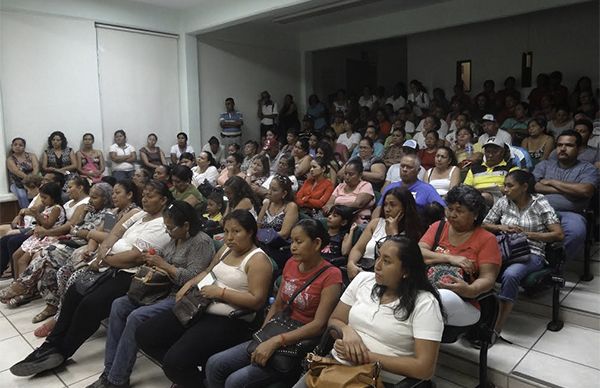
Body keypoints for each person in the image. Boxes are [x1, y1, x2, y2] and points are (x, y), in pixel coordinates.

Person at [9, 180, 173, 377]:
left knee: (91, 303)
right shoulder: (137, 215)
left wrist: (105, 258)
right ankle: (51, 345)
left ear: (163, 200)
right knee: (74, 291)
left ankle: (63, 351)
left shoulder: (163, 224)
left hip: (132, 274)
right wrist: (102, 254)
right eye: (144, 195)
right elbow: (113, 234)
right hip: (108, 262)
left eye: (151, 196)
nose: (145, 199)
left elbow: (135, 257)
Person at [136, 210, 272, 387]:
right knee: (145, 334)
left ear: (250, 232)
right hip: (199, 304)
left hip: (228, 319)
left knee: (175, 362)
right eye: (227, 231)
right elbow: (208, 271)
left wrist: (221, 293)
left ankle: (188, 375)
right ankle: (190, 375)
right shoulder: (226, 249)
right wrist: (189, 283)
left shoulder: (258, 260)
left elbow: (257, 301)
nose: (229, 237)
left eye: (236, 231)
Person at [86, 201, 215, 388]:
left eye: (171, 228)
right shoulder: (176, 237)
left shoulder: (201, 242)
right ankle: (110, 369)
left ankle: (117, 379)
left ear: (186, 225)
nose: (167, 231)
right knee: (119, 305)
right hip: (158, 289)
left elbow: (192, 279)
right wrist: (151, 257)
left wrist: (163, 264)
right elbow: (163, 254)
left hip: (179, 296)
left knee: (136, 317)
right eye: (166, 227)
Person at [292, 236, 445, 388]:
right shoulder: (364, 280)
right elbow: (335, 320)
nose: (377, 266)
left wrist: (364, 356)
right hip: (334, 366)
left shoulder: (425, 303)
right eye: (378, 257)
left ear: (406, 270)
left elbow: (424, 369)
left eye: (386, 261)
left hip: (376, 380)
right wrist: (347, 331)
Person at [205, 218, 342, 388]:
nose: (293, 247)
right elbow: (277, 305)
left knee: (235, 381)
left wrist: (276, 341)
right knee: (214, 364)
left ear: (316, 243)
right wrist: (263, 334)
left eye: (299, 242)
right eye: (292, 241)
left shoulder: (331, 275)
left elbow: (319, 325)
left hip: (300, 342)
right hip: (278, 328)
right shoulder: (292, 263)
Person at [33, 179, 141, 338]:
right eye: (113, 193)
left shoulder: (134, 213)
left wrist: (88, 235)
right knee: (63, 272)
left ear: (130, 195)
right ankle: (65, 313)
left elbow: (114, 238)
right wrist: (90, 249)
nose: (114, 196)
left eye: (118, 193)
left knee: (75, 278)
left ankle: (63, 318)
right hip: (98, 252)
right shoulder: (114, 211)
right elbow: (99, 232)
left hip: (115, 258)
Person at [1, 183, 113, 321]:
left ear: (106, 198)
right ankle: (51, 305)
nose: (90, 200)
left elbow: (97, 235)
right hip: (70, 240)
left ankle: (22, 286)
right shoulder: (87, 209)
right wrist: (82, 215)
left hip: (83, 246)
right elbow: (72, 225)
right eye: (90, 196)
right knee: (48, 269)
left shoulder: (110, 215)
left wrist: (80, 232)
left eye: (95, 197)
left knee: (46, 252)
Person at [483, 170, 563, 337]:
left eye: (510, 185)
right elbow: (484, 224)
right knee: (480, 265)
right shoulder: (504, 202)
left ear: (524, 187)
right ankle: (481, 316)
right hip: (505, 249)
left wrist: (527, 234)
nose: (505, 189)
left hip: (532, 252)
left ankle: (497, 326)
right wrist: (501, 227)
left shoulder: (539, 202)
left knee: (511, 275)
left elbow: (558, 234)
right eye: (504, 185)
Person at [419, 185, 501, 327]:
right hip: (427, 290)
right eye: (450, 209)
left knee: (442, 298)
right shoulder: (438, 227)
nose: (452, 215)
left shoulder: (487, 239)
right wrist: (451, 258)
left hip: (464, 301)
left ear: (475, 215)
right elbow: (418, 252)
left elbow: (488, 279)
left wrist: (470, 290)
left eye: (459, 211)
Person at [533, 130, 599, 260]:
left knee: (576, 232)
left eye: (569, 145)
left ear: (579, 149)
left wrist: (552, 182)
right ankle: (536, 261)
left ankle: (556, 264)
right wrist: (570, 189)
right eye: (559, 145)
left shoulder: (588, 168)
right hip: (540, 210)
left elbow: (585, 190)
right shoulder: (545, 165)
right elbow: (533, 186)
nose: (563, 149)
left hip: (571, 212)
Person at [347, 187, 424, 280]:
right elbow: (358, 249)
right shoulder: (375, 223)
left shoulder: (413, 231)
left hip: (390, 278)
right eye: (385, 205)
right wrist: (351, 263)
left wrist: (393, 234)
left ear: (405, 207)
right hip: (364, 270)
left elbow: (403, 260)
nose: (387, 209)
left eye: (393, 205)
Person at [8, 182, 66, 278]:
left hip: (48, 237)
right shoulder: (47, 207)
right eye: (41, 197)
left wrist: (37, 214)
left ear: (53, 197)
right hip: (38, 236)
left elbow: (48, 225)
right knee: (15, 255)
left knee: (22, 261)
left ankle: (24, 286)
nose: (42, 200)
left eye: (44, 197)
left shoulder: (56, 209)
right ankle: (16, 281)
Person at [377, 154, 445, 216]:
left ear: (418, 170)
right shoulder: (391, 187)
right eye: (402, 166)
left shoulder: (427, 189)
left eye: (409, 167)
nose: (404, 170)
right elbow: (379, 208)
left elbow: (443, 209)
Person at [464, 137, 518, 205]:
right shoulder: (474, 169)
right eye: (488, 152)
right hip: (474, 198)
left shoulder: (511, 168)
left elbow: (514, 188)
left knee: (484, 196)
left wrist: (487, 190)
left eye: (495, 152)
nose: (490, 155)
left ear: (502, 152)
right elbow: (466, 188)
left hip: (501, 200)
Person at [7, 137, 39, 208]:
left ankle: (39, 212)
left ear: (24, 147)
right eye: (15, 145)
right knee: (22, 195)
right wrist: (28, 179)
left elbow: (36, 167)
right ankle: (27, 214)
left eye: (20, 145)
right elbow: (16, 171)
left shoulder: (31, 156)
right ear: (12, 146)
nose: (17, 146)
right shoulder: (10, 159)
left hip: (33, 180)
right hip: (17, 182)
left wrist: (32, 180)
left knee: (39, 192)